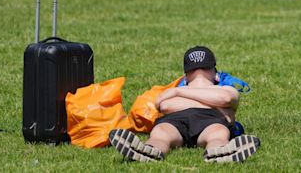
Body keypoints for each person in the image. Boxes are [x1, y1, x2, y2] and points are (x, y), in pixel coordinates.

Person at [109, 46, 260, 163]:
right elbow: (164, 106)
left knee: (161, 134)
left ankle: (150, 149)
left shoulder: (176, 91)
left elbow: (226, 98)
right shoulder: (221, 88)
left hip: (176, 119)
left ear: (186, 75)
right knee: (217, 135)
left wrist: (179, 93)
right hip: (211, 119)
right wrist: (216, 106)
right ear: (215, 73)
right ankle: (219, 151)